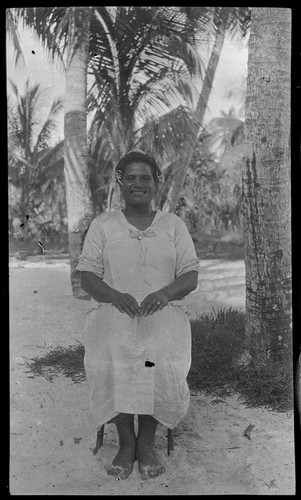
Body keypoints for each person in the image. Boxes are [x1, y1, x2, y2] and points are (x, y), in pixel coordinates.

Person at [76, 150, 199, 480]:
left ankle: (146, 442)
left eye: (145, 177)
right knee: (111, 350)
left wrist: (164, 293)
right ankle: (126, 442)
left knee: (158, 353)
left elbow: (190, 275)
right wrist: (115, 296)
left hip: (162, 313)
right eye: (130, 177)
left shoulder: (173, 226)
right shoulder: (103, 226)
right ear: (119, 183)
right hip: (114, 312)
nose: (138, 183)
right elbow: (87, 275)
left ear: (157, 183)